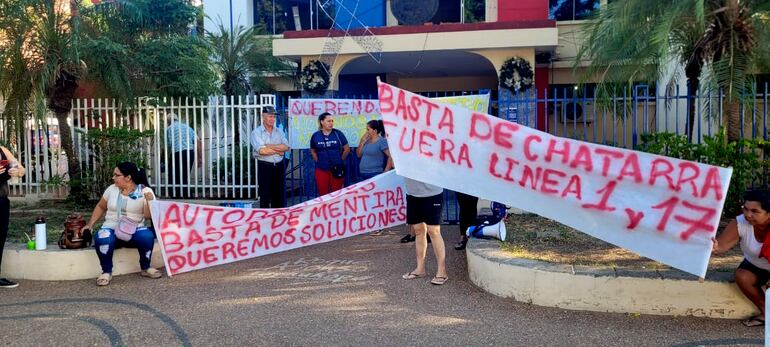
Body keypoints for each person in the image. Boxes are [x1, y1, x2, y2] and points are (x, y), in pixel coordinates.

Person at [82, 162, 161, 286]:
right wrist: (90, 224)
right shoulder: (111, 189)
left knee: (146, 236)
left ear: (128, 177)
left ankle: (145, 268)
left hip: (134, 230)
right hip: (111, 229)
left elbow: (148, 216)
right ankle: (106, 271)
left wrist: (149, 201)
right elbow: (101, 206)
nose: (113, 178)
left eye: (116, 175)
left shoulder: (145, 191)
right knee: (102, 237)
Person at [712, 190, 770, 327]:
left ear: (768, 214)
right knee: (742, 276)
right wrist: (714, 247)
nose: (748, 215)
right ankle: (766, 313)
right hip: (756, 266)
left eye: (755, 211)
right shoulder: (740, 222)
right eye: (746, 209)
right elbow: (721, 246)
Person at [401, 177, 447, 285]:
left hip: (433, 194)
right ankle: (420, 269)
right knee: (418, 231)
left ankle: (442, 272)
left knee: (433, 231)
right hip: (412, 193)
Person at [250, 106, 290, 208]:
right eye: (270, 116)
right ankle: (265, 219)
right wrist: (278, 151)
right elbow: (262, 151)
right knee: (265, 195)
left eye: (274, 117)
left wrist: (269, 146)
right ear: (263, 117)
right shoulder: (256, 133)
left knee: (279, 195)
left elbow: (286, 147)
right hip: (265, 166)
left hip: (279, 166)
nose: (272, 119)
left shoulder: (279, 131)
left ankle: (278, 219)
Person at [0, 146, 25, 289]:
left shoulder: (3, 150)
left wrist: (18, 171)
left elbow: (21, 169)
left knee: (0, 238)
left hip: (1, 200)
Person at [310, 112, 350, 196]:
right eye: (328, 121)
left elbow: (347, 149)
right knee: (323, 194)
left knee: (337, 194)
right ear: (322, 122)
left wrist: (340, 160)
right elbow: (313, 150)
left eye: (332, 121)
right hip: (321, 169)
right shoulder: (316, 135)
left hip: (337, 168)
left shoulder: (338, 134)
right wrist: (318, 161)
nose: (331, 123)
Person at [165, 113, 200, 198]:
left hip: (177, 153)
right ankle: (186, 194)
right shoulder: (187, 127)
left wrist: (165, 158)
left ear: (168, 121)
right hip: (189, 153)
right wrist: (200, 158)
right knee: (185, 174)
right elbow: (198, 141)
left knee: (174, 174)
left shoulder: (169, 129)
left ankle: (176, 195)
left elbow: (167, 145)